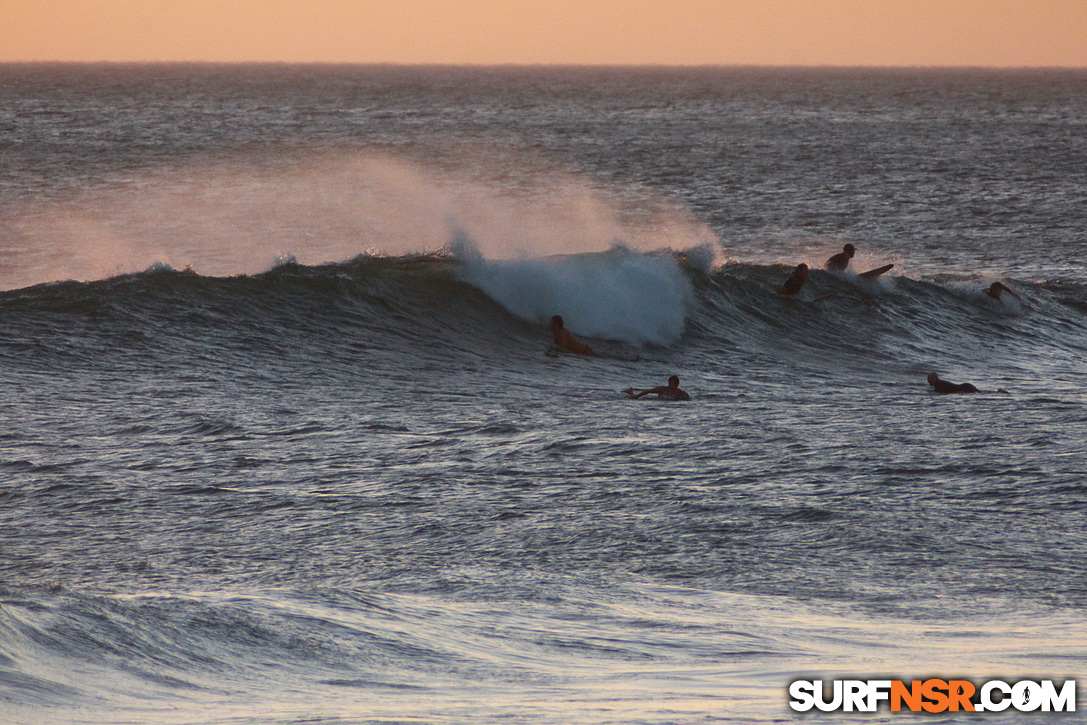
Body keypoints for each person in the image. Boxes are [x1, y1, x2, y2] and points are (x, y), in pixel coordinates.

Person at [625, 375, 690, 401]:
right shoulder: (663, 389)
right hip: (659, 400)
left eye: (672, 384)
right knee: (634, 397)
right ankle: (631, 393)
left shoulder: (680, 393)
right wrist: (636, 397)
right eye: (669, 383)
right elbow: (647, 391)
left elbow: (688, 398)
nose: (670, 386)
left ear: (677, 384)